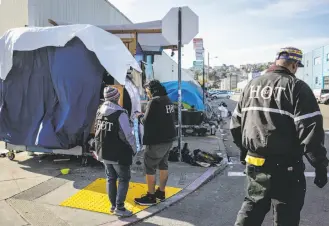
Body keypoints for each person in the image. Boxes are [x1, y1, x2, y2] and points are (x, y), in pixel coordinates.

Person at [230, 47, 328, 226]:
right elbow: (310, 131)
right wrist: (320, 164)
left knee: (252, 206)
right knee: (286, 214)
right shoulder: (297, 87)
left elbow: (236, 125)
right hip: (286, 167)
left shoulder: (251, 86)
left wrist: (245, 152)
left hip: (255, 162)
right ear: (294, 65)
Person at [93, 86, 136, 217]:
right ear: (117, 98)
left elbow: (96, 130)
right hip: (118, 153)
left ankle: (113, 206)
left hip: (103, 151)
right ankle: (120, 207)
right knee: (123, 178)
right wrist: (134, 148)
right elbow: (127, 135)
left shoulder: (100, 111)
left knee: (110, 178)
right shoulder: (120, 113)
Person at [134, 80, 177, 206]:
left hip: (157, 141)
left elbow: (146, 121)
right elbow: (160, 117)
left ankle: (151, 196)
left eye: (147, 91)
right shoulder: (167, 99)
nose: (147, 93)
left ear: (152, 89)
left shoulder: (154, 101)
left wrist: (138, 116)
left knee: (150, 167)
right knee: (163, 165)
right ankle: (161, 192)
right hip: (168, 139)